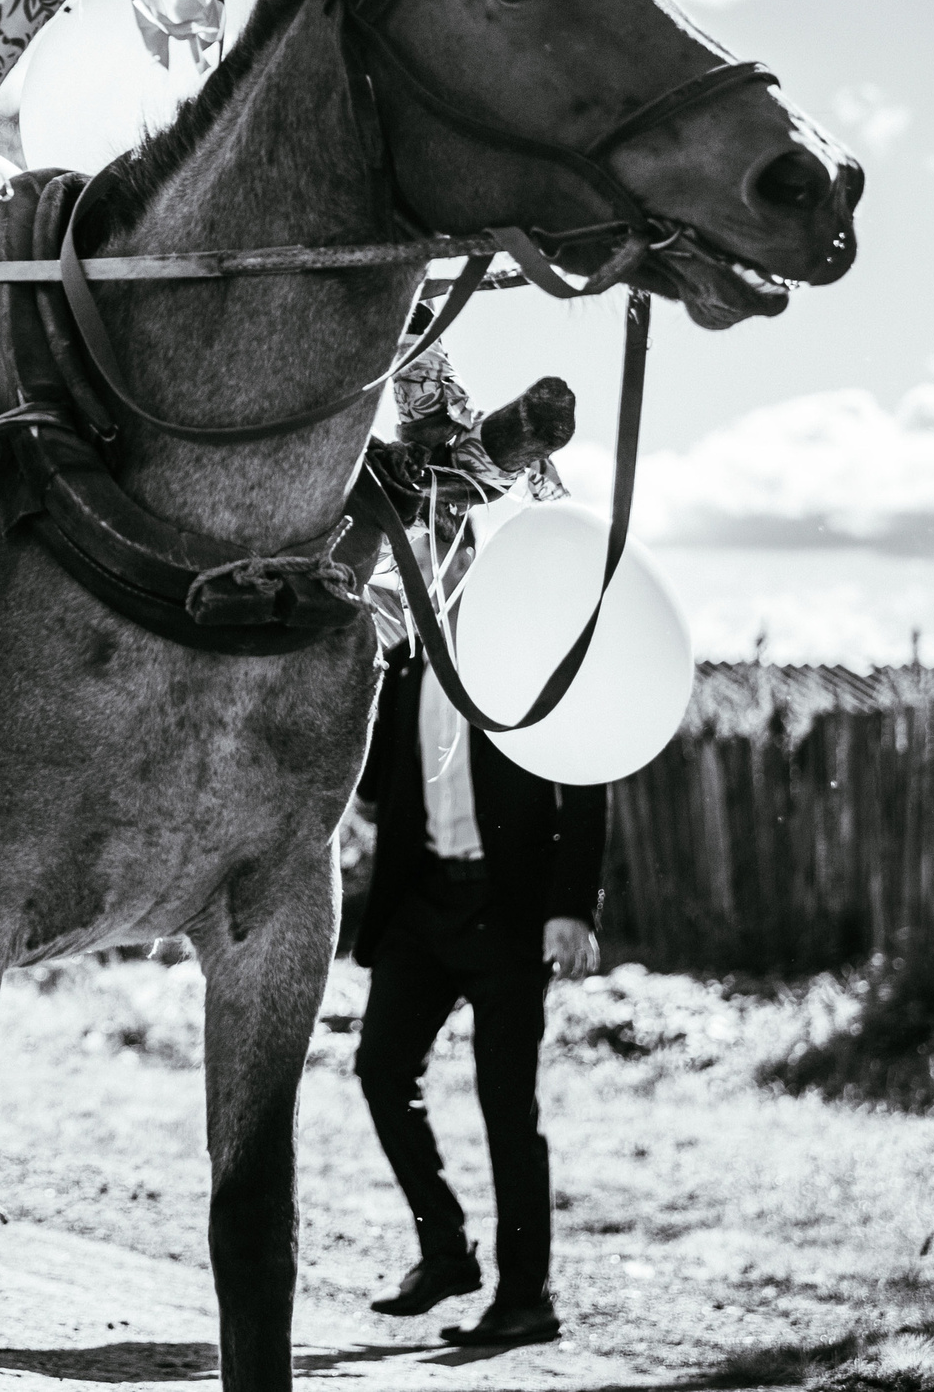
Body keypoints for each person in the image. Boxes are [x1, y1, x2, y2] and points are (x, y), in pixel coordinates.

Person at [352, 540, 608, 1349]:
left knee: (507, 1109)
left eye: (447, 559)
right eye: (424, 562)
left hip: (509, 912)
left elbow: (586, 776)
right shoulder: (401, 666)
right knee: (380, 1070)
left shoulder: (526, 658)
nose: (433, 574)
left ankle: (526, 1298)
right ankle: (444, 1252)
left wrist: (571, 908)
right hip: (420, 908)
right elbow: (370, 782)